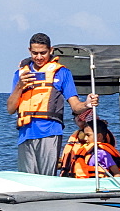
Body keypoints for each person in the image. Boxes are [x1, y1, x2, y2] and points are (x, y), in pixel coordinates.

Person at [6, 33, 97, 175]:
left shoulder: (62, 73)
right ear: (29, 50)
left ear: (51, 50)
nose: (39, 57)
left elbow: (75, 106)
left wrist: (87, 104)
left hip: (50, 131)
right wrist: (19, 86)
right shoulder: (20, 74)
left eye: (43, 53)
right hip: (25, 134)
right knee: (27, 178)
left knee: (46, 177)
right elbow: (10, 109)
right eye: (35, 53)